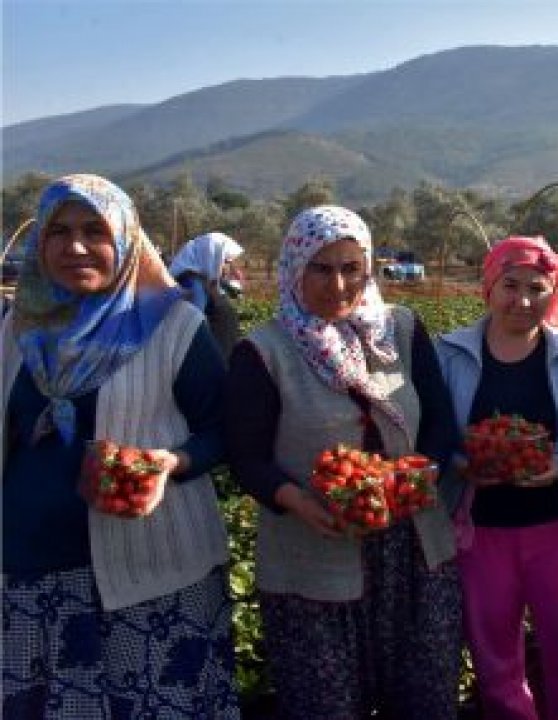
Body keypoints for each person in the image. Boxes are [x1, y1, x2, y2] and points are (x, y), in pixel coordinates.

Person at [1, 174, 237, 717]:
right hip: (23, 574)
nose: (75, 246)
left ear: (126, 240)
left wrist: (170, 463)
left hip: (146, 577)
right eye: (58, 230)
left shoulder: (172, 325)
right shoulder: (21, 322)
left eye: (94, 230)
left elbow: (225, 428)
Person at [224, 205, 463, 718]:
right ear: (294, 268)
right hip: (314, 553)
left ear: (368, 268)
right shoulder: (264, 351)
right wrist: (298, 502)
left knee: (425, 695)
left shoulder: (400, 329)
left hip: (414, 550)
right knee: (326, 701)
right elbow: (246, 457)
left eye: (351, 267)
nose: (338, 283)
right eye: (321, 268)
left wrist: (422, 474)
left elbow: (440, 423)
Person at [436, 235, 558, 720]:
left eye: (538, 287)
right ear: (488, 287)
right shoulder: (448, 354)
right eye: (510, 285)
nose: (524, 300)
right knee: (495, 661)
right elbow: (432, 434)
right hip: (480, 531)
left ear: (553, 292)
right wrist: (462, 463)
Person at [169, 231, 246, 359]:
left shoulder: (204, 278)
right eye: (225, 261)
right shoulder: (193, 284)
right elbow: (193, 328)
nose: (226, 267)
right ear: (213, 255)